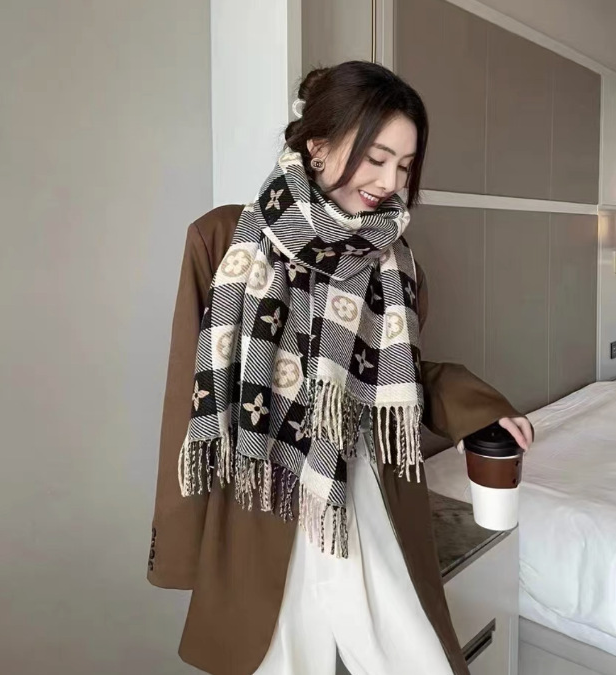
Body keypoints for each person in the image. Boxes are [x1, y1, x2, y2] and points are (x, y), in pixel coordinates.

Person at [147, 61, 534, 675]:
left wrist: (480, 410)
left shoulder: (397, 261)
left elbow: (400, 374)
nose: (390, 182)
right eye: (377, 158)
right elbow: (187, 398)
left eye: (405, 166)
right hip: (261, 506)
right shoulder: (222, 238)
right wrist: (181, 543)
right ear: (318, 146)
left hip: (366, 501)